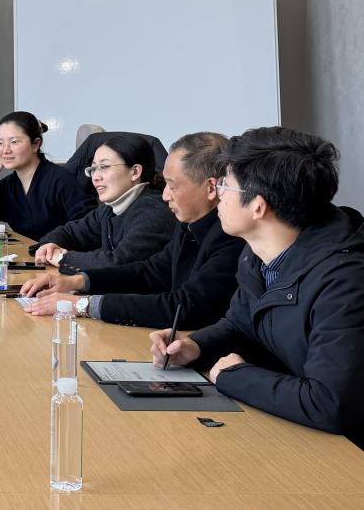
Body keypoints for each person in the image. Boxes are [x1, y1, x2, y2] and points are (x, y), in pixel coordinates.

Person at [152, 127, 364, 442]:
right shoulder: (257, 254)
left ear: (258, 206)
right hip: (295, 429)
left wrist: (236, 377)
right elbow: (241, 324)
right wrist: (195, 346)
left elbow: (330, 404)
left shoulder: (345, 281)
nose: (218, 194)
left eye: (225, 185)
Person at [20, 132, 244, 327]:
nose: (165, 195)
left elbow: (184, 306)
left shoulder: (231, 236)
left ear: (211, 187)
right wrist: (77, 281)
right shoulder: (190, 225)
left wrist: (82, 304)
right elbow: (151, 271)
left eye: (173, 186)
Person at [33, 132, 176, 270]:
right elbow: (72, 232)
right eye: (93, 169)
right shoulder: (110, 208)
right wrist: (47, 246)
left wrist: (61, 257)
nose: (95, 177)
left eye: (104, 167)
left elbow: (118, 263)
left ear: (135, 172)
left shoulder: (153, 211)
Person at [0, 111, 92, 241]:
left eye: (14, 142)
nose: (5, 150)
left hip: (59, 252)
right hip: (27, 252)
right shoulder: (7, 186)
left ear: (35, 144)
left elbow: (88, 227)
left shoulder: (61, 179)